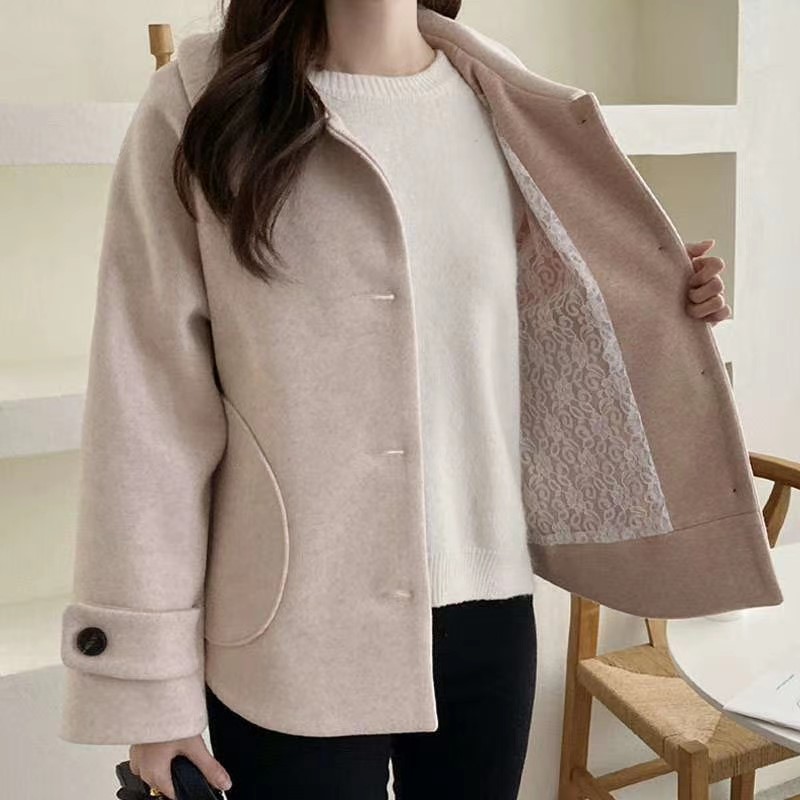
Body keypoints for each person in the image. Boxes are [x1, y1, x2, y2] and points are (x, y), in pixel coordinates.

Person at [58, 1, 740, 798]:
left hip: (491, 611)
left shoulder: (502, 100)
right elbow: (146, 412)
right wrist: (151, 694)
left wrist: (660, 302)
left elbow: (535, 328)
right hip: (292, 634)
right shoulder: (201, 105)